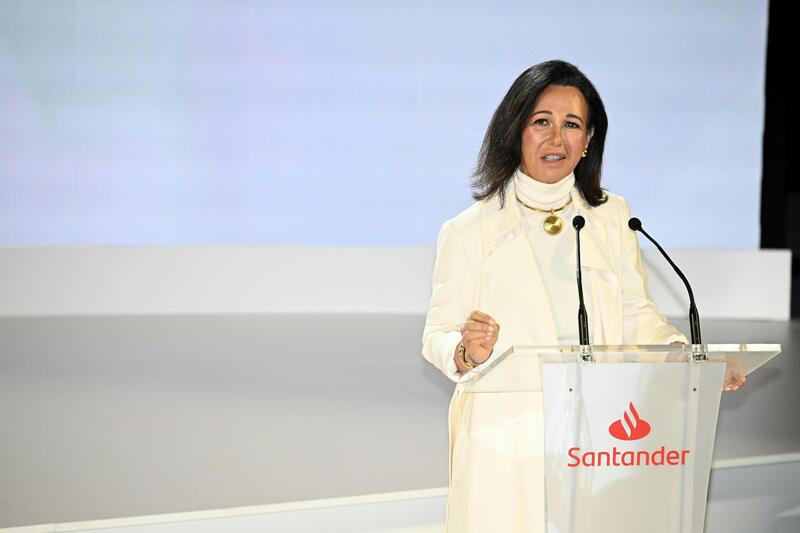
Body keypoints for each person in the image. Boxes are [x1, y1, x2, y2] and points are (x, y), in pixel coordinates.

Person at [421, 60, 702, 532]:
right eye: (541, 122)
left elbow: (635, 313)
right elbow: (436, 335)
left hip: (597, 436)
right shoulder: (468, 231)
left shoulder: (612, 217)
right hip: (506, 438)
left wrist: (683, 356)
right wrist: (467, 351)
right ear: (516, 130)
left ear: (588, 138)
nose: (557, 139)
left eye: (571, 124)